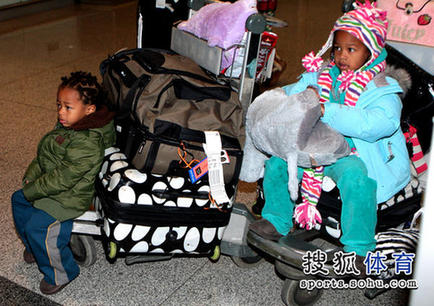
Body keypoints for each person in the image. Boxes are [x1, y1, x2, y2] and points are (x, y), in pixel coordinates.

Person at [249, 1, 411, 271]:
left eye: (351, 49)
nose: (341, 56)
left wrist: (329, 110)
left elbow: (379, 123)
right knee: (277, 164)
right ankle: (277, 219)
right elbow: (298, 90)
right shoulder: (324, 74)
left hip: (352, 153)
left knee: (358, 182)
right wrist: (277, 100)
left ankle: (359, 247)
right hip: (313, 146)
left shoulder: (382, 87)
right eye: (337, 48)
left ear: (371, 52)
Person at [11, 71, 116, 294]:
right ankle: (34, 246)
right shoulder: (71, 126)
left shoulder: (88, 142)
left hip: (68, 197)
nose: (60, 111)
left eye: (68, 107)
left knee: (39, 227)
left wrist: (34, 188)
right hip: (54, 186)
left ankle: (63, 272)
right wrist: (32, 176)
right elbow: (46, 156)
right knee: (18, 200)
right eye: (59, 105)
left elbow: (63, 179)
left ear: (89, 110)